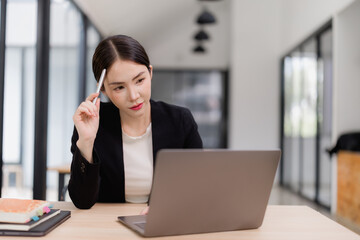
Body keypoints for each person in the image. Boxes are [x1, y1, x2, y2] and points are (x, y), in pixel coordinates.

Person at [68, 35, 203, 209]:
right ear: (103, 90)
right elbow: (82, 201)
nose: (134, 96)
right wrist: (86, 141)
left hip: (164, 224)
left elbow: (198, 187)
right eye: (119, 87)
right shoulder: (92, 124)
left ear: (151, 72)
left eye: (139, 81)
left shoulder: (179, 121)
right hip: (108, 227)